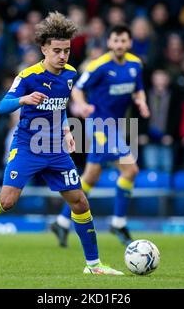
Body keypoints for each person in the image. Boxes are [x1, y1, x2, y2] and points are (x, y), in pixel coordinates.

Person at [0, 12, 123, 276]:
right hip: (28, 145)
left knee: (80, 202)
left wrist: (66, 131)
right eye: (57, 51)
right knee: (7, 201)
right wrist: (23, 100)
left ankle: (93, 265)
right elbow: (2, 106)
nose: (63, 56)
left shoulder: (70, 75)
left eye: (67, 50)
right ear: (43, 49)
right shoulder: (28, 76)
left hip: (56, 149)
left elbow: (58, 107)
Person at [50, 24, 150, 247]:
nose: (119, 45)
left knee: (90, 177)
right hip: (100, 124)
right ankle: (118, 222)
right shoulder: (100, 66)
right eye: (115, 40)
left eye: (123, 40)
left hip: (117, 125)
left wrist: (141, 101)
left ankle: (61, 222)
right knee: (130, 168)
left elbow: (138, 88)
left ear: (130, 43)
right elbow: (77, 88)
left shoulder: (135, 64)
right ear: (109, 43)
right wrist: (83, 105)